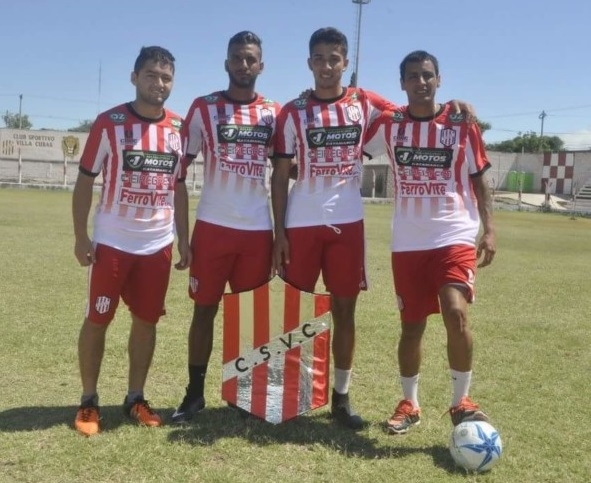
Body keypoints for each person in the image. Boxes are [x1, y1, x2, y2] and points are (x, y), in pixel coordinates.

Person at [271, 27, 403, 430]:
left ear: (345, 62)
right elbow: (280, 176)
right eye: (319, 58)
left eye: (334, 59)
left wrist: (454, 109)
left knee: (345, 311)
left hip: (347, 222)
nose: (326, 66)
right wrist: (279, 233)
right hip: (301, 222)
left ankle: (341, 398)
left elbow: (410, 112)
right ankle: (290, 393)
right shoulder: (292, 112)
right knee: (295, 310)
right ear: (309, 63)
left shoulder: (363, 102)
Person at [363, 50, 496, 434]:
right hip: (408, 242)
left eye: (427, 75)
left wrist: (489, 229)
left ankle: (461, 402)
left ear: (439, 80)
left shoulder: (461, 123)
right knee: (411, 327)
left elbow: (480, 180)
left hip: (454, 233)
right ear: (402, 83)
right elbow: (353, 143)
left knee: (456, 312)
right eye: (412, 76)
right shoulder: (389, 124)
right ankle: (410, 404)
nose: (420, 82)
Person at [72, 46, 190, 437]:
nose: (159, 83)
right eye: (151, 75)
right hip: (113, 242)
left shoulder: (178, 127)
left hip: (157, 244)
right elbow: (85, 180)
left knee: (146, 321)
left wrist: (184, 238)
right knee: (98, 319)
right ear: (135, 77)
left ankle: (135, 397)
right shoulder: (109, 123)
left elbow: (178, 187)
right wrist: (81, 236)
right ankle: (89, 400)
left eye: (166, 77)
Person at [172, 31, 281, 424]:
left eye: (250, 58)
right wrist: (182, 236)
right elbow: (177, 171)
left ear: (261, 65)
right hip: (213, 228)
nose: (243, 64)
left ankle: (244, 393)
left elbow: (286, 169)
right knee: (204, 311)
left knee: (248, 316)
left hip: (256, 231)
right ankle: (194, 394)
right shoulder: (203, 108)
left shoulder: (273, 112)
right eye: (237, 57)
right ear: (226, 63)